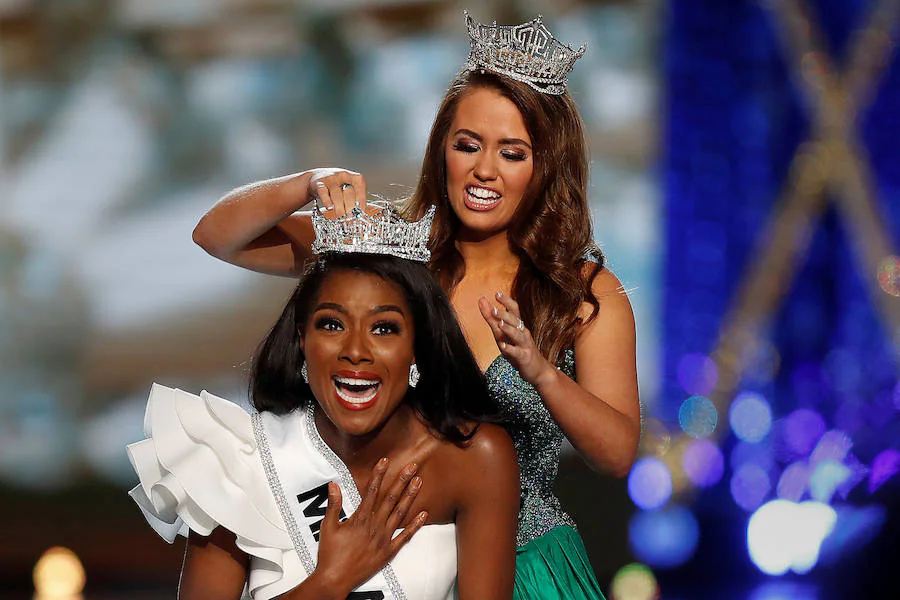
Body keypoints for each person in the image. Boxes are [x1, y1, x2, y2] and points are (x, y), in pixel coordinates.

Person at [191, 11, 641, 600]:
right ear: (441, 151)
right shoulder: (393, 257)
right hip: (395, 557)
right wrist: (308, 182)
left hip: (523, 568)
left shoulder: (579, 292)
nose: (484, 170)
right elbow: (217, 236)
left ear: (545, 166)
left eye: (512, 152)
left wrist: (539, 371)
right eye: (467, 145)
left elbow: (617, 453)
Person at [127, 205, 520, 599]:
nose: (356, 351)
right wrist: (329, 582)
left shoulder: (474, 456)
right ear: (302, 337)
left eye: (384, 328)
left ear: (417, 347)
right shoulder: (240, 459)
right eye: (332, 324)